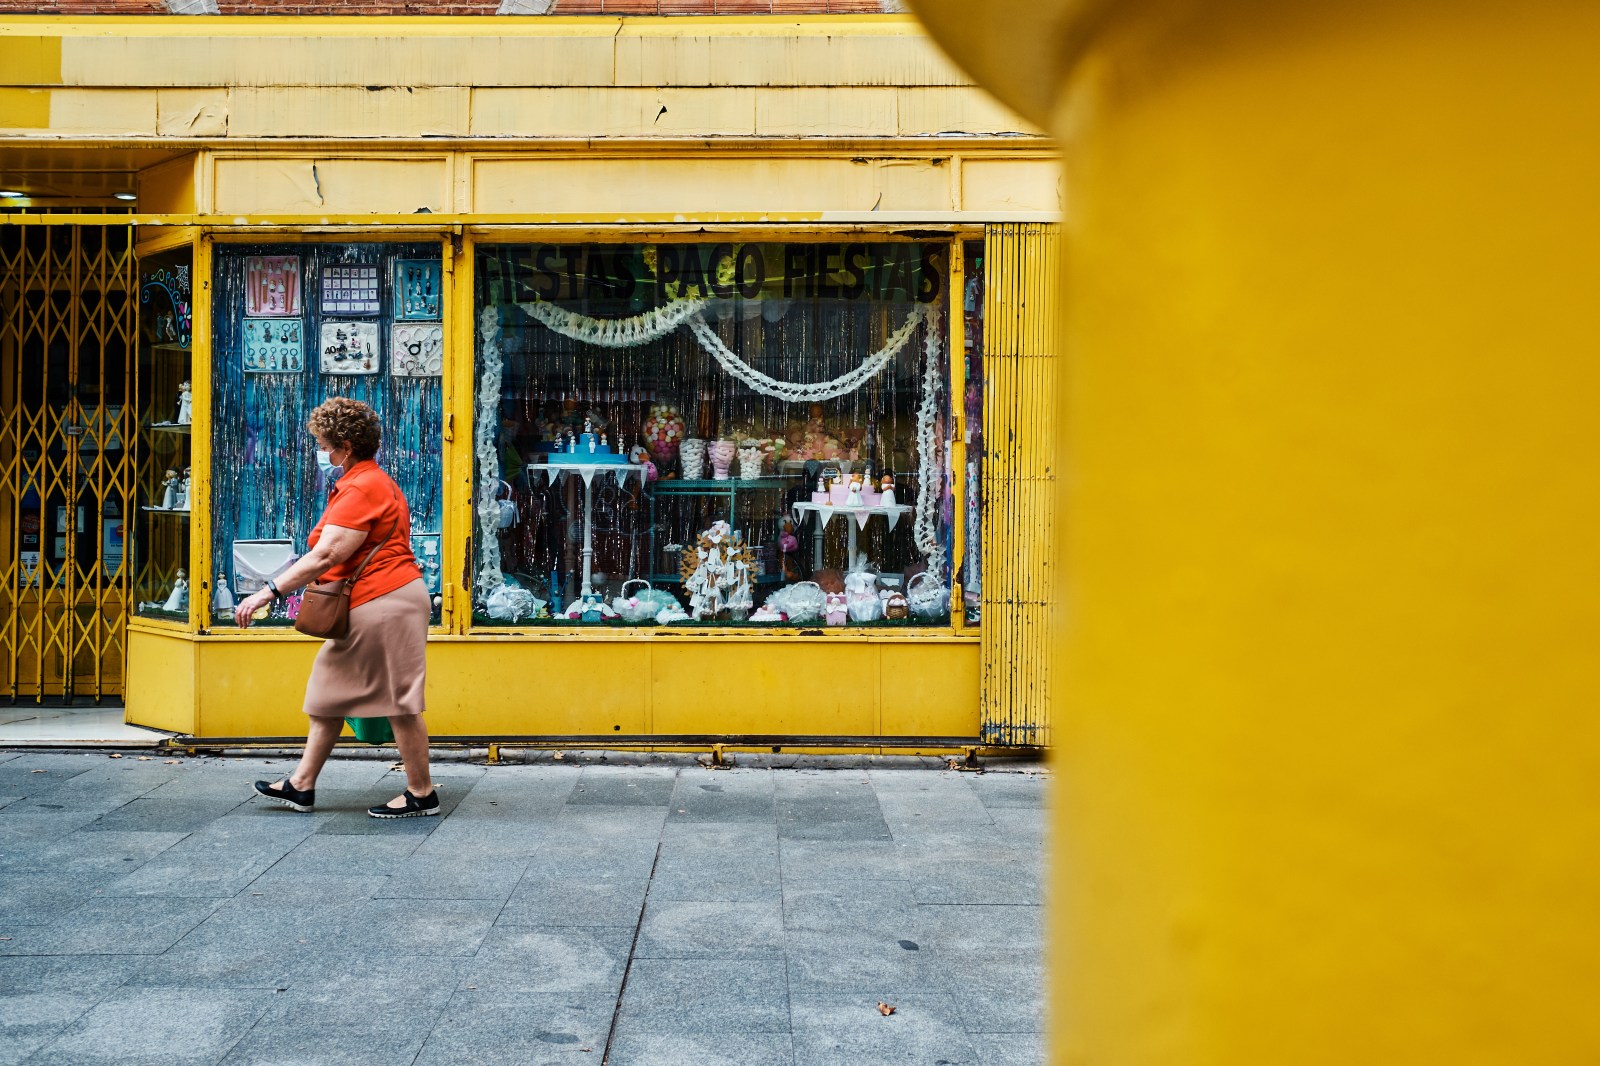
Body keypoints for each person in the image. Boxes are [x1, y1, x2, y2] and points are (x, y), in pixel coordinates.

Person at [234, 396, 439, 819]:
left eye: (325, 444)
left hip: (385, 599)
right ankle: (301, 784)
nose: (322, 452)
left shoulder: (364, 486)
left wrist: (266, 592)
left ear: (345, 446)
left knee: (399, 700)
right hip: (376, 600)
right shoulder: (361, 481)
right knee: (329, 689)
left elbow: (327, 554)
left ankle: (421, 792)